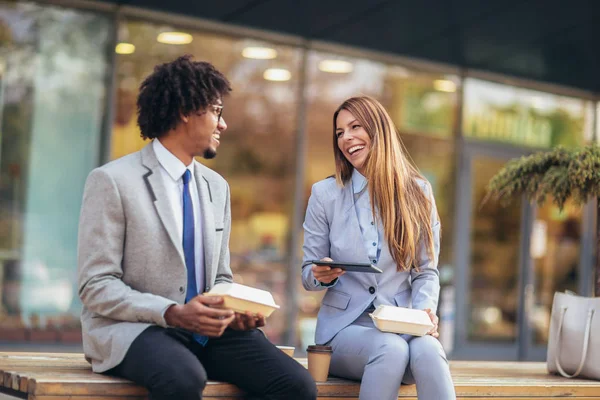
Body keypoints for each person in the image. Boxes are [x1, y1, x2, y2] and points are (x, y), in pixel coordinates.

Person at [77, 55, 316, 400]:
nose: (224, 125)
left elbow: (220, 276)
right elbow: (95, 285)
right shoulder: (113, 181)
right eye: (217, 111)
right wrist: (172, 313)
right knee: (184, 378)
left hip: (207, 333)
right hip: (136, 329)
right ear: (187, 111)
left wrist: (233, 309)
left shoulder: (216, 187)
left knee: (296, 385)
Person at [301, 96, 455, 400]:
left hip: (402, 324)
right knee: (391, 348)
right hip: (344, 332)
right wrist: (321, 274)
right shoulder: (325, 194)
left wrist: (425, 311)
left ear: (378, 130)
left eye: (355, 127)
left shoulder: (419, 193)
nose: (346, 138)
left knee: (429, 349)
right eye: (340, 133)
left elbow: (426, 271)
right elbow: (308, 273)